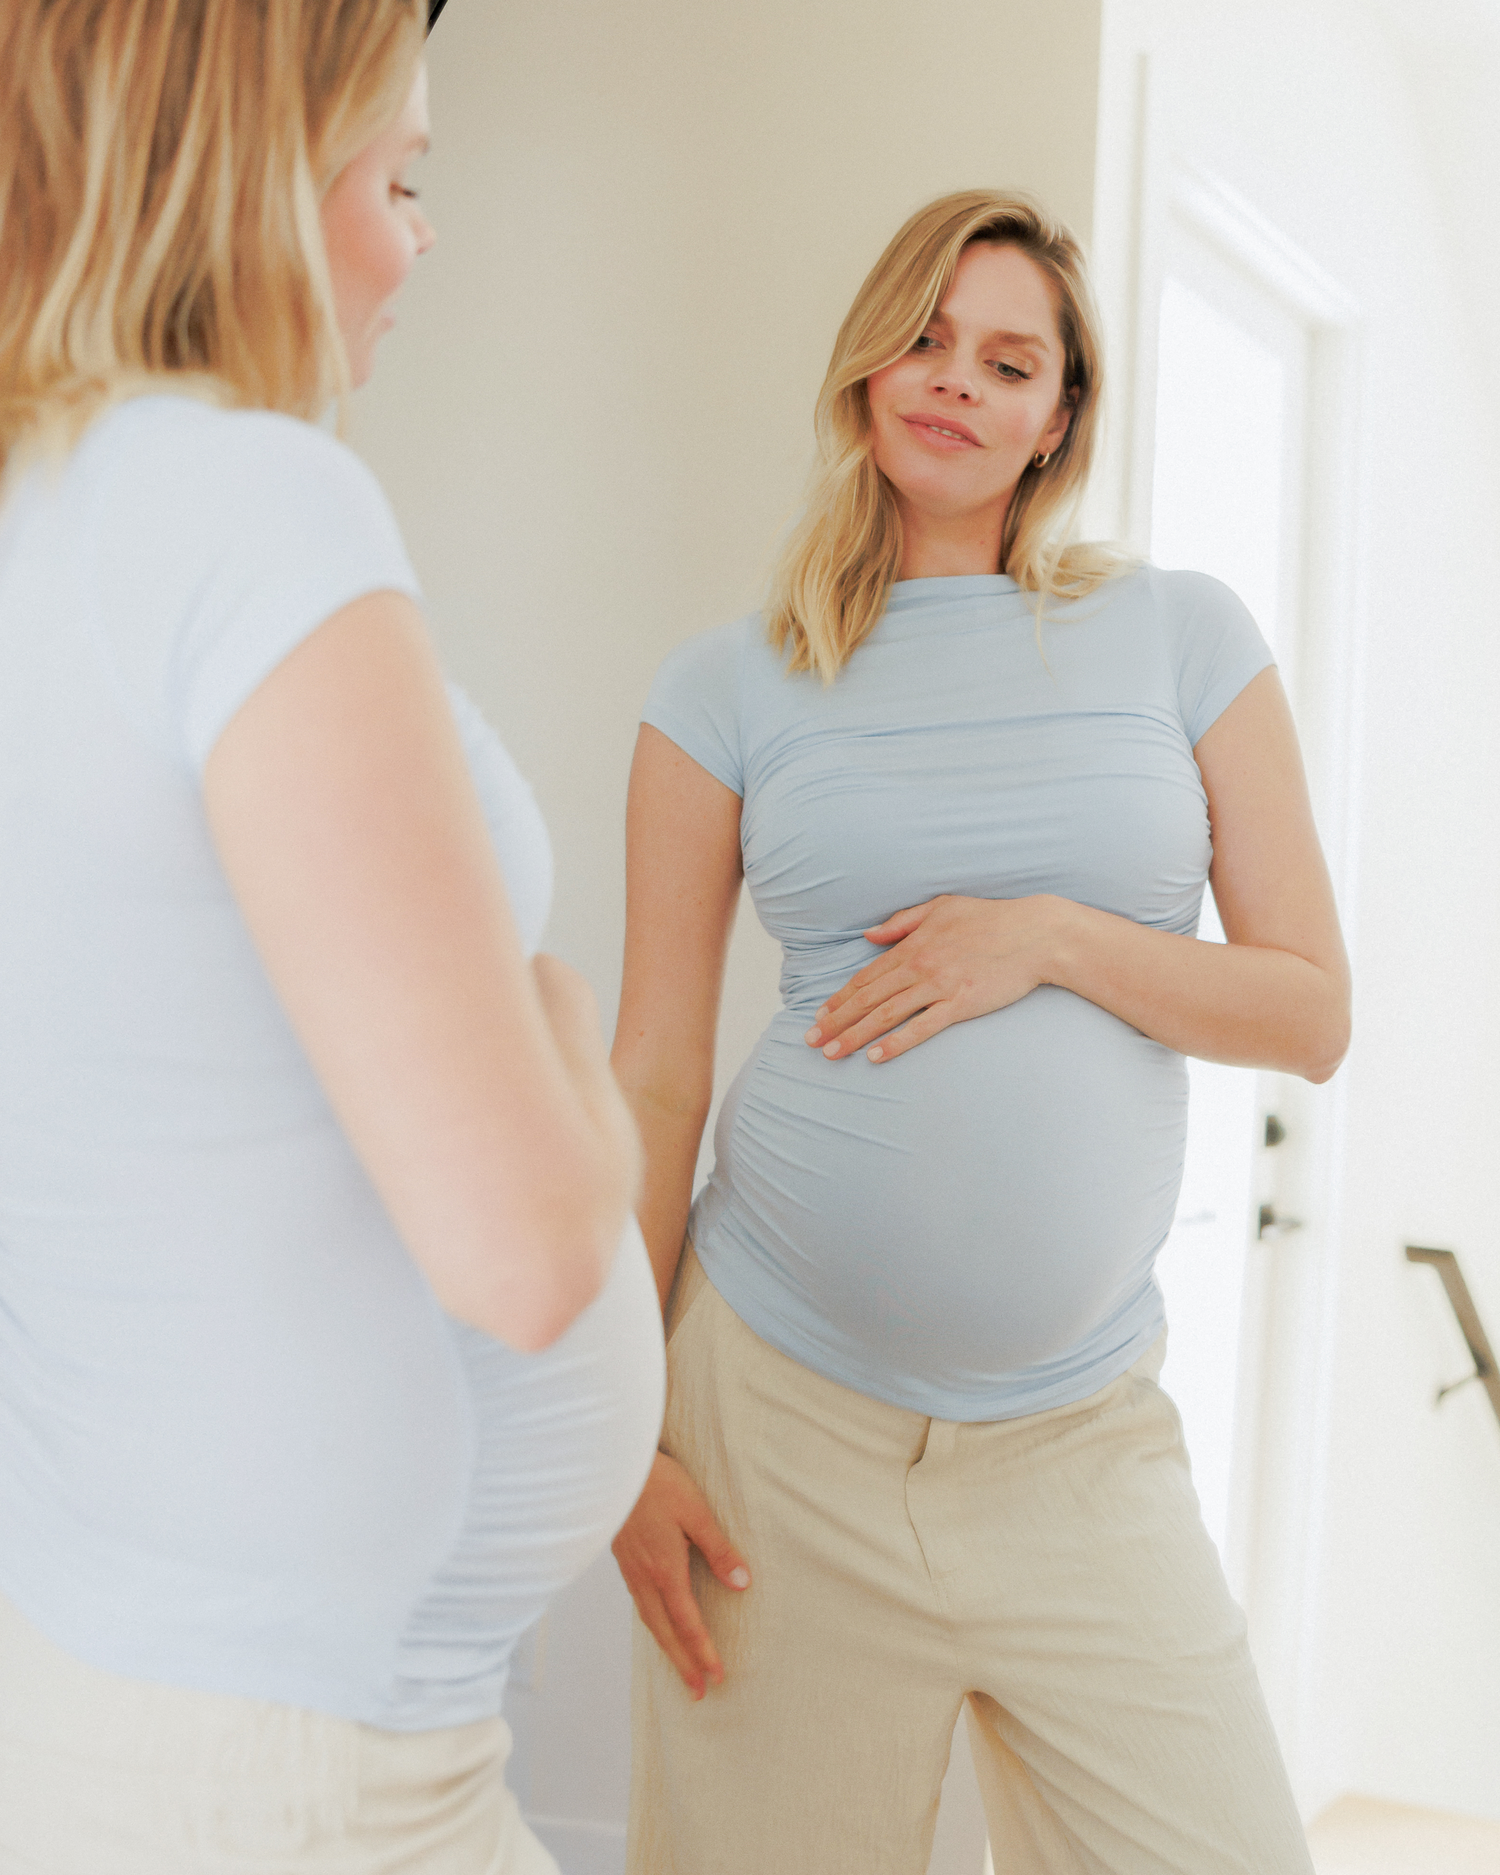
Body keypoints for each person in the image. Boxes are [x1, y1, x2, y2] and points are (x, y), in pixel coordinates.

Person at [610, 189, 1349, 1874]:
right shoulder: (725, 686)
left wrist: (1055, 939)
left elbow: (1312, 1007)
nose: (955, 382)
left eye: (1008, 360)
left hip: (1080, 1440)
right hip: (779, 1420)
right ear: (866, 363)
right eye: (927, 339)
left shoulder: (1181, 636)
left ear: (1058, 418)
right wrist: (618, 1428)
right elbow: (654, 1075)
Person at [0, 3, 663, 1870]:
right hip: (291, 1780)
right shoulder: (242, 505)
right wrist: (559, 1034)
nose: (421, 235)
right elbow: (530, 1248)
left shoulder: (44, 511)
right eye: (401, 176)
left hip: (150, 1693)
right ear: (244, 177)